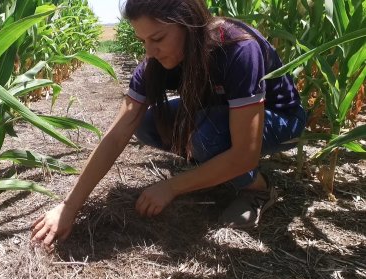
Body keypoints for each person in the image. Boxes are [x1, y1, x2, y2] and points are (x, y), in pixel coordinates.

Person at [31, 0, 306, 251]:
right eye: (142, 41)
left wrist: (171, 187)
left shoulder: (236, 48)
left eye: (158, 38)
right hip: (223, 113)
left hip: (280, 117)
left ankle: (256, 189)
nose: (149, 51)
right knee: (149, 123)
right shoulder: (154, 62)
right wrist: (69, 206)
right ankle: (214, 165)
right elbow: (117, 134)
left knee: (204, 137)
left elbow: (245, 153)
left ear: (187, 23)